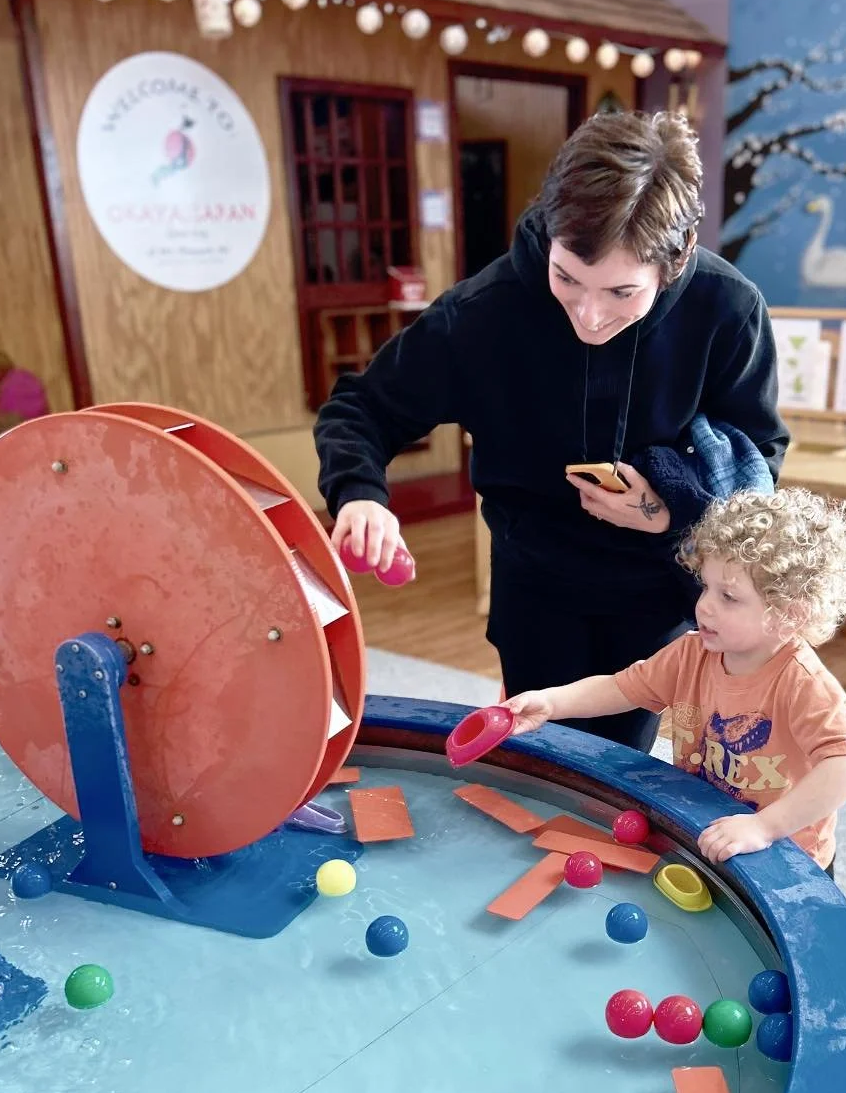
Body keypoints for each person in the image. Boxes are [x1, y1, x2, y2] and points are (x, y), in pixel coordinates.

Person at [313, 109, 789, 752]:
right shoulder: (486, 311)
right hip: (535, 583)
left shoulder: (726, 308)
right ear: (552, 231)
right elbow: (361, 407)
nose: (590, 316)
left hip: (661, 588)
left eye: (622, 293)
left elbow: (759, 454)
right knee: (540, 760)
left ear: (672, 263)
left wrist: (667, 507)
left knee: (619, 768)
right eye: (567, 278)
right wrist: (360, 494)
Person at [502, 488, 846, 877]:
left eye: (728, 596)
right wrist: (552, 702)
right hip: (708, 825)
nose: (705, 606)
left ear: (788, 614)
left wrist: (766, 827)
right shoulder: (693, 653)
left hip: (787, 852)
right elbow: (621, 687)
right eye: (706, 587)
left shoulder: (801, 682)